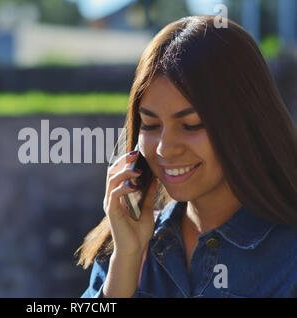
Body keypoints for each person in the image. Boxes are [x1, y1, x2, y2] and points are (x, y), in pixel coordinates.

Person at [75, 15, 297, 298]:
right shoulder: (126, 243)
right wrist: (125, 262)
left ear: (245, 121)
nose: (164, 149)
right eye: (151, 125)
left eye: (191, 125)